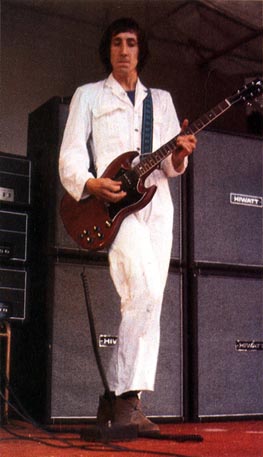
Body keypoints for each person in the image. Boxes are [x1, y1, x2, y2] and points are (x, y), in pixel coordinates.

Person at [59, 17, 196, 434]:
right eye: (117, 43)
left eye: (132, 43)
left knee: (150, 300)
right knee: (144, 290)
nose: (124, 50)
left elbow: (172, 167)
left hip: (156, 207)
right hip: (113, 207)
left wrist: (182, 153)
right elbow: (68, 157)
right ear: (109, 50)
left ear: (140, 51)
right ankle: (125, 400)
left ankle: (116, 402)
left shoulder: (163, 101)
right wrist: (89, 183)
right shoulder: (88, 96)